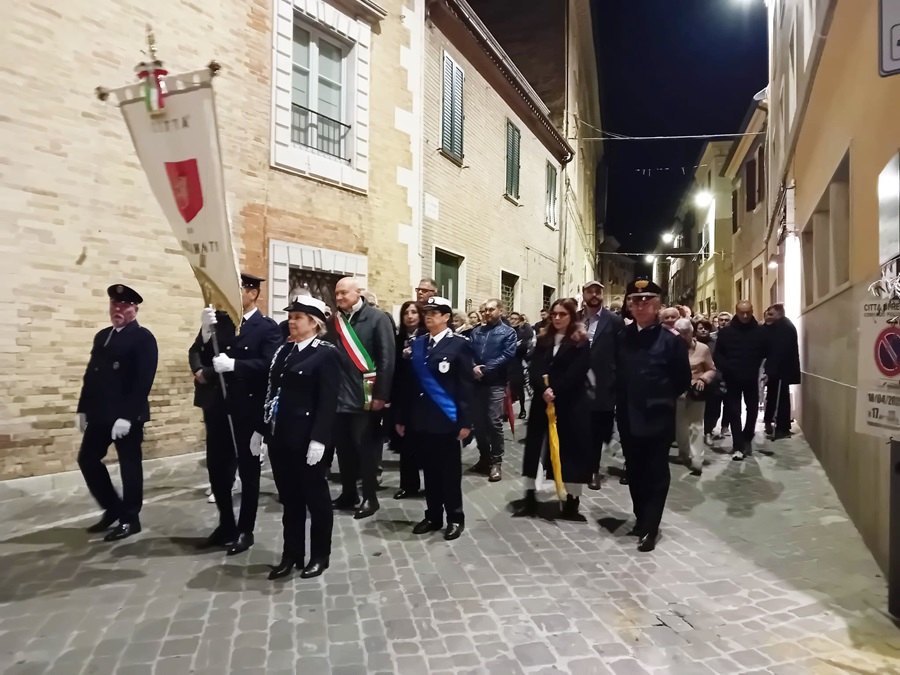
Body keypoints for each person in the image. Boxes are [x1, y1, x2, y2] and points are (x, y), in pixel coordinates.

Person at [201, 273, 282, 555]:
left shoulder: (267, 328)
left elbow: (270, 366)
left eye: (238, 290)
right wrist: (203, 334)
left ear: (252, 294)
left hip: (247, 411)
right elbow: (198, 353)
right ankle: (226, 523)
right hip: (219, 409)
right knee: (217, 470)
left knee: (248, 472)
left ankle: (245, 529)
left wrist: (235, 365)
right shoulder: (220, 324)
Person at [263, 297, 338, 580]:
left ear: (314, 322)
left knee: (316, 500)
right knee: (291, 500)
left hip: (308, 441)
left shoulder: (326, 353)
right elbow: (271, 393)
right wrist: (263, 430)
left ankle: (320, 555)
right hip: (281, 437)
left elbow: (328, 400)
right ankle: (291, 554)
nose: (291, 322)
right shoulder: (284, 351)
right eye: (291, 316)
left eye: (298, 317)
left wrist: (319, 438)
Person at [77, 284, 159, 541]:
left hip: (126, 417)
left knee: (129, 466)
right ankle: (113, 508)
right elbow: (91, 375)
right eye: (114, 304)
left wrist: (127, 416)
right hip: (100, 414)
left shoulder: (143, 338)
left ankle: (130, 518)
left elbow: (143, 381)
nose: (118, 310)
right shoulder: (103, 336)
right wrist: (82, 409)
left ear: (134, 309)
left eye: (124, 306)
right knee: (87, 459)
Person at [616, 278, 691, 552]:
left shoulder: (671, 342)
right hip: (627, 415)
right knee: (634, 471)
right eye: (635, 301)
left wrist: (659, 399)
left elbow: (681, 379)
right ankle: (640, 517)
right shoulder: (622, 338)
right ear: (629, 306)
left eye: (646, 300)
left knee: (656, 473)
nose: (641, 305)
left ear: (658, 305)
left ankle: (651, 526)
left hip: (658, 417)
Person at [395, 296, 474, 541]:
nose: (428, 316)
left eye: (435, 312)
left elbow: (466, 387)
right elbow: (407, 385)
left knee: (449, 472)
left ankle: (455, 517)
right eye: (426, 312)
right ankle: (432, 515)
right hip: (421, 420)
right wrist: (401, 417)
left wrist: (465, 421)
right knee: (429, 471)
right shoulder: (417, 344)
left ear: (447, 317)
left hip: (446, 420)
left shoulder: (459, 345)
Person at [327, 277, 396, 519]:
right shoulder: (334, 321)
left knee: (366, 450)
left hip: (365, 395)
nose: (339, 298)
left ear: (359, 293)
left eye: (344, 293)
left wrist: (381, 395)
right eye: (336, 294)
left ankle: (369, 497)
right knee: (343, 450)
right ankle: (348, 493)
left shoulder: (378, 318)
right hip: (338, 396)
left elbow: (387, 359)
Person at [518, 298, 593, 519]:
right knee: (536, 449)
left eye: (563, 314)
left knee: (570, 451)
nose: (558, 318)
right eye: (554, 314)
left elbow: (578, 371)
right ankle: (531, 493)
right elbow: (534, 369)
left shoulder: (581, 342)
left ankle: (571, 498)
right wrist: (543, 389)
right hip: (544, 403)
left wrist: (556, 390)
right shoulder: (543, 340)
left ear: (572, 316)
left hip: (570, 404)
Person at [189, 310, 239, 505]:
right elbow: (194, 350)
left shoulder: (238, 323)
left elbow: (230, 359)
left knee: (230, 441)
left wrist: (206, 373)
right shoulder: (214, 321)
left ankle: (229, 481)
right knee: (213, 442)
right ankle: (216, 481)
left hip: (229, 391)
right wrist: (197, 369)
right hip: (210, 393)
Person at [580, 281, 624, 490]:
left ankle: (593, 470)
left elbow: (621, 353)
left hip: (602, 383)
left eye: (598, 291)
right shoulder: (575, 318)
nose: (594, 294)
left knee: (597, 430)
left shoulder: (614, 321)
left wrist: (615, 379)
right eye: (590, 291)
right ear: (584, 294)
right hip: (576, 382)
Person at [469, 298, 517, 481]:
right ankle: (484, 458)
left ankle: (496, 461)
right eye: (485, 310)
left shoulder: (508, 332)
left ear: (500, 310)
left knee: (493, 421)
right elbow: (469, 351)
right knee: (478, 423)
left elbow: (507, 354)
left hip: (495, 383)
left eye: (491, 309)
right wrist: (473, 366)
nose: (487, 313)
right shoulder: (476, 332)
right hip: (477, 382)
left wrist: (485, 368)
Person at [714, 300, 767, 461]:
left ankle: (747, 437)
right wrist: (726, 368)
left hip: (751, 377)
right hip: (732, 378)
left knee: (752, 410)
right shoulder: (726, 333)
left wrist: (764, 371)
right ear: (736, 312)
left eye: (748, 312)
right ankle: (738, 445)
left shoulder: (760, 332)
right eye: (741, 312)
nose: (745, 316)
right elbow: (718, 354)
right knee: (734, 411)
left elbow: (766, 352)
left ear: (752, 312)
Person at [673, 319, 716, 476]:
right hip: (678, 393)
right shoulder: (673, 349)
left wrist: (703, 379)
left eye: (686, 332)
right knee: (680, 426)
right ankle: (683, 453)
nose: (683, 336)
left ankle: (697, 460)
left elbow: (711, 369)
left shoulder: (703, 349)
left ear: (691, 332)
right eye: (680, 333)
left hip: (696, 392)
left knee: (696, 426)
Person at [392, 300, 424, 499]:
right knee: (406, 444)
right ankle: (408, 485)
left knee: (427, 445)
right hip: (404, 396)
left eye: (414, 312)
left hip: (423, 395)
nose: (410, 316)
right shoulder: (398, 339)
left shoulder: (426, 337)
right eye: (406, 313)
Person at [762, 303, 800, 440]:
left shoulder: (784, 327)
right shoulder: (780, 325)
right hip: (778, 370)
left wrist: (772, 370)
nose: (769, 317)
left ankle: (782, 428)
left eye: (771, 314)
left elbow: (779, 351)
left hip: (781, 370)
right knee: (775, 397)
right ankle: (776, 424)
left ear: (779, 313)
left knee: (781, 399)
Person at [508, 312, 534, 420]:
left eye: (515, 319)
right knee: (507, 389)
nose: (513, 321)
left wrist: (513, 346)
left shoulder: (522, 332)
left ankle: (522, 409)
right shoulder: (506, 332)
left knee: (518, 387)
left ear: (519, 321)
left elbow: (523, 348)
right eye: (511, 318)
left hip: (517, 363)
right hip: (507, 363)